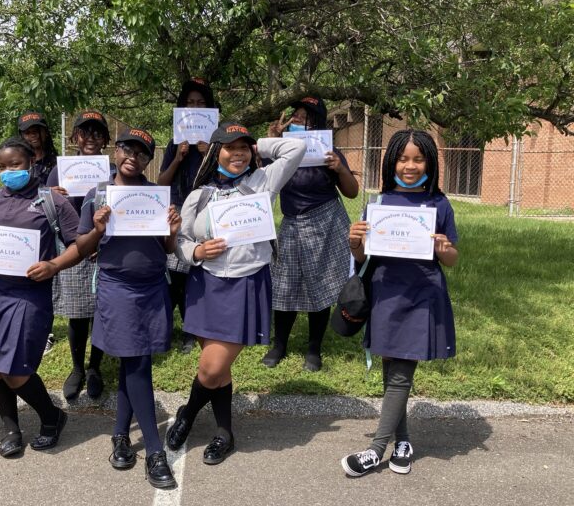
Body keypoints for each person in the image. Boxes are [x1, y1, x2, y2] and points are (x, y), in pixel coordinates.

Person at [167, 122, 306, 465]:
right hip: (205, 286)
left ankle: (188, 411)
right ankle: (224, 432)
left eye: (244, 148)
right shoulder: (199, 196)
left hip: (246, 283)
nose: (238, 153)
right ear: (216, 152)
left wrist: (259, 144)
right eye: (231, 147)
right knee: (220, 370)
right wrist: (197, 253)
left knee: (211, 370)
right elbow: (180, 243)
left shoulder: (262, 182)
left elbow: (296, 150)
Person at [340, 129, 459, 477]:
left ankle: (376, 449)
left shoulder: (439, 204)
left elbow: (451, 258)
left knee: (402, 371)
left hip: (422, 294)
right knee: (393, 368)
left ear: (430, 162)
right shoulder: (377, 203)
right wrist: (354, 241)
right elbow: (362, 257)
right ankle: (403, 440)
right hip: (385, 293)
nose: (410, 165)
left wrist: (443, 248)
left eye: (418, 158)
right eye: (403, 158)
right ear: (391, 160)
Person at [0, 137, 83, 458]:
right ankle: (11, 429)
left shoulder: (51, 202)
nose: (8, 171)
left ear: (31, 163)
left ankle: (52, 417)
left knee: (16, 368)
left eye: (15, 164)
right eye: (2, 166)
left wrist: (54, 265)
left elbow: (80, 245)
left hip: (28, 295)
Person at [75, 128, 180, 489]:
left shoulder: (156, 195)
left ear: (150, 160)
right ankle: (154, 451)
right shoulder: (98, 194)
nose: (132, 156)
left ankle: (120, 435)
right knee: (136, 363)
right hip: (116, 287)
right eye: (126, 149)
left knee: (136, 359)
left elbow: (167, 248)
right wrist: (98, 228)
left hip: (152, 287)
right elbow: (83, 245)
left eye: (142, 152)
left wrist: (173, 230)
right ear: (115, 151)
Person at [262, 95, 359, 371]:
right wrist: (272, 140)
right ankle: (279, 345)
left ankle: (314, 349)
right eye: (296, 117)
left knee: (320, 284)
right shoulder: (282, 150)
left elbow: (351, 192)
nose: (298, 121)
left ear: (316, 124)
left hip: (324, 221)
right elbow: (258, 177)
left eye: (305, 118)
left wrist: (339, 169)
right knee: (284, 284)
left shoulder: (329, 152)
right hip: (292, 222)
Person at [46, 110, 111, 400]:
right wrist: (51, 193)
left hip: (104, 248)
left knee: (100, 310)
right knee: (77, 313)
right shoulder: (60, 170)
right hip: (73, 246)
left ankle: (95, 366)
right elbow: (43, 206)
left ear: (106, 141)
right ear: (74, 137)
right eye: (84, 132)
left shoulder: (113, 170)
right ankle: (77, 368)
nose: (90, 138)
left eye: (98, 133)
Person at [157, 78, 216, 354]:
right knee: (175, 271)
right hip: (179, 209)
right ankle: (174, 327)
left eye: (200, 103)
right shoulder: (175, 142)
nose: (195, 107)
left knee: (198, 269)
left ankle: (194, 328)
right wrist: (179, 158)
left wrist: (209, 154)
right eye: (190, 103)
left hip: (207, 210)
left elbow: (224, 178)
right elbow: (161, 182)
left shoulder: (218, 142)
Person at [18, 110, 58, 184]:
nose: (33, 135)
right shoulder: (17, 164)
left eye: (36, 131)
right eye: (27, 133)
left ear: (46, 132)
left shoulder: (57, 163)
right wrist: (47, 191)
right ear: (22, 136)